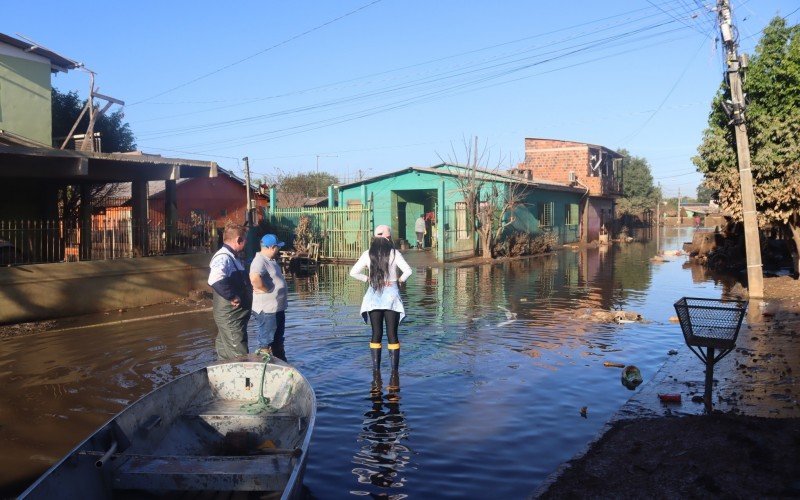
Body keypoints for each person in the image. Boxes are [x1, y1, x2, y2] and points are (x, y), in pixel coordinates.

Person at [350, 225, 412, 392]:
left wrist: (367, 279)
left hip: (374, 296)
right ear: (388, 238)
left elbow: (353, 272)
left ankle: (375, 373)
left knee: (375, 334)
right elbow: (408, 271)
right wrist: (399, 280)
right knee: (392, 334)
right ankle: (394, 373)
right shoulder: (394, 253)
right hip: (391, 296)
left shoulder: (367, 254)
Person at [208, 224, 252, 360]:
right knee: (239, 353)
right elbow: (215, 279)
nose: (246, 243)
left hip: (236, 318)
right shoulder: (223, 257)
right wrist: (232, 296)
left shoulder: (232, 257)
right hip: (231, 317)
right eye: (245, 240)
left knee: (225, 351)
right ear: (239, 240)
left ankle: (225, 376)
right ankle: (243, 378)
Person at [248, 234, 288, 360]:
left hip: (276, 309)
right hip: (266, 311)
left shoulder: (269, 260)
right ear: (271, 247)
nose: (278, 250)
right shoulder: (259, 260)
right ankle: (264, 365)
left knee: (277, 341)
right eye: (277, 247)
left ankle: (280, 363)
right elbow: (254, 278)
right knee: (266, 342)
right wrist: (266, 289)